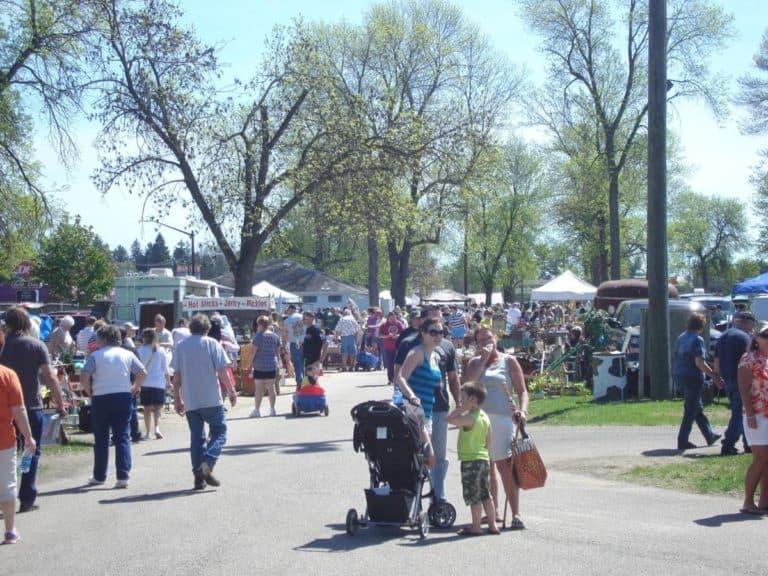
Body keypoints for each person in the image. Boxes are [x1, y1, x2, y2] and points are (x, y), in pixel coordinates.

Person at [0, 306, 66, 513]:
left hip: (3, 408)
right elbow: (51, 377)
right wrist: (60, 403)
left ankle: (4, 497)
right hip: (30, 406)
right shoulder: (37, 346)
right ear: (27, 323)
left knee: (4, 452)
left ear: (7, 324)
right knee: (30, 451)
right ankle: (26, 495)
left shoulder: (2, 347)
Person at [463, 326, 529, 530]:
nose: (485, 343)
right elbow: (467, 386)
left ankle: (516, 513)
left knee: (504, 465)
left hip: (502, 419)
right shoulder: (474, 363)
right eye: (480, 340)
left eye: (488, 338)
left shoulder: (508, 361)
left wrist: (523, 411)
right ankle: (494, 511)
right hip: (479, 420)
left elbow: (522, 391)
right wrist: (482, 360)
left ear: (496, 337)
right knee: (486, 466)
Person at [172, 314, 237, 490]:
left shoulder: (180, 346)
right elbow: (222, 371)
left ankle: (198, 477)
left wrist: (176, 397)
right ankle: (208, 463)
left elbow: (176, 376)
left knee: (197, 438)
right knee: (220, 431)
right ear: (207, 329)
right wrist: (231, 391)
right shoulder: (212, 344)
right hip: (211, 397)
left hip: (191, 398)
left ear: (191, 328)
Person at [81, 325, 147, 488]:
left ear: (103, 339)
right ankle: (123, 475)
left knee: (101, 437)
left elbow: (84, 375)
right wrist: (136, 387)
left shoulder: (95, 356)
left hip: (101, 397)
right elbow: (142, 372)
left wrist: (89, 391)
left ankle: (99, 475)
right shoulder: (128, 354)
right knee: (122, 435)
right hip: (123, 395)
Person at [447, 381, 499, 536]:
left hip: (471, 461)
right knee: (485, 494)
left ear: (473, 400)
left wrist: (461, 409)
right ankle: (492, 524)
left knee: (473, 495)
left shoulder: (470, 418)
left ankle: (476, 526)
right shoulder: (485, 417)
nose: (461, 402)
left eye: (463, 399)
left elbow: (449, 419)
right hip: (483, 460)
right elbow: (489, 440)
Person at [0, 331, 37, 544]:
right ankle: (10, 530)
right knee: (7, 484)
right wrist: (29, 437)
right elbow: (18, 409)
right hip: (4, 439)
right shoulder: (7, 375)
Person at [673, 313, 722, 451]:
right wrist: (714, 376)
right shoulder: (697, 340)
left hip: (679, 376)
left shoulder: (681, 337)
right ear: (701, 326)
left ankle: (709, 435)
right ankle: (682, 440)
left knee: (696, 407)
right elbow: (699, 362)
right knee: (690, 410)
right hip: (693, 377)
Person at [714, 311, 756, 456]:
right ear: (745, 322)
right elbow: (751, 360)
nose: (753, 327)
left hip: (729, 380)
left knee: (741, 413)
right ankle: (728, 445)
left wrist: (718, 379)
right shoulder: (744, 338)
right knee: (739, 415)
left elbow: (717, 362)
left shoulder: (723, 336)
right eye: (752, 324)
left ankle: (748, 444)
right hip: (742, 381)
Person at [737, 321, 768, 514]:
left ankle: (764, 501)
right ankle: (748, 501)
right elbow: (744, 388)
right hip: (756, 415)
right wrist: (749, 414)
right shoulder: (748, 358)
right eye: (766, 336)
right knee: (760, 457)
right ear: (756, 339)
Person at [395, 317, 444, 434]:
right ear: (423, 333)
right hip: (413, 413)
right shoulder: (417, 352)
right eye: (433, 332)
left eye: (441, 332)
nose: (438, 336)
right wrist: (411, 396)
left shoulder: (436, 355)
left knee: (425, 451)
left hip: (427, 413)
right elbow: (400, 378)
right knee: (429, 452)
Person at [136, 328, 171, 439]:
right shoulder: (160, 350)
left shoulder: (140, 351)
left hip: (145, 382)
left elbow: (137, 369)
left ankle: (147, 433)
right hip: (159, 382)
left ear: (144, 338)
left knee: (147, 409)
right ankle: (157, 428)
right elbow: (165, 369)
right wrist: (169, 382)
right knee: (157, 408)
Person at [247, 315, 281, 418]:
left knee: (259, 389)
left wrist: (249, 365)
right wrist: (278, 364)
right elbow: (277, 353)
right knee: (271, 387)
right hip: (271, 364)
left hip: (259, 365)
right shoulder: (275, 336)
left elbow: (253, 353)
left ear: (260, 325)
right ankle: (272, 409)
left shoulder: (258, 336)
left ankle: (257, 410)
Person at [282, 305, 305, 387]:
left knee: (297, 362)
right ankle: (306, 380)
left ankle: (299, 379)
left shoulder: (287, 320)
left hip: (294, 343)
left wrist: (284, 346)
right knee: (305, 362)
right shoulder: (304, 317)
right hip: (305, 342)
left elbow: (284, 335)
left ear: (290, 310)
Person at [379, 311, 404, 385]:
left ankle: (398, 379)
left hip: (397, 346)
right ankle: (390, 379)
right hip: (388, 347)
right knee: (390, 364)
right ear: (388, 318)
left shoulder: (398, 323)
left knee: (398, 364)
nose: (393, 320)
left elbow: (403, 333)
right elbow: (380, 335)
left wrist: (398, 336)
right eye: (391, 318)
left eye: (394, 318)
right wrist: (387, 336)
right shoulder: (384, 325)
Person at [301, 311, 327, 376]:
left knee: (311, 378)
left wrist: (323, 356)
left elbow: (325, 343)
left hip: (314, 359)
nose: (303, 320)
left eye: (305, 319)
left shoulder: (317, 330)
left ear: (311, 319)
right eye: (303, 319)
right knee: (308, 378)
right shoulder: (308, 329)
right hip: (307, 358)